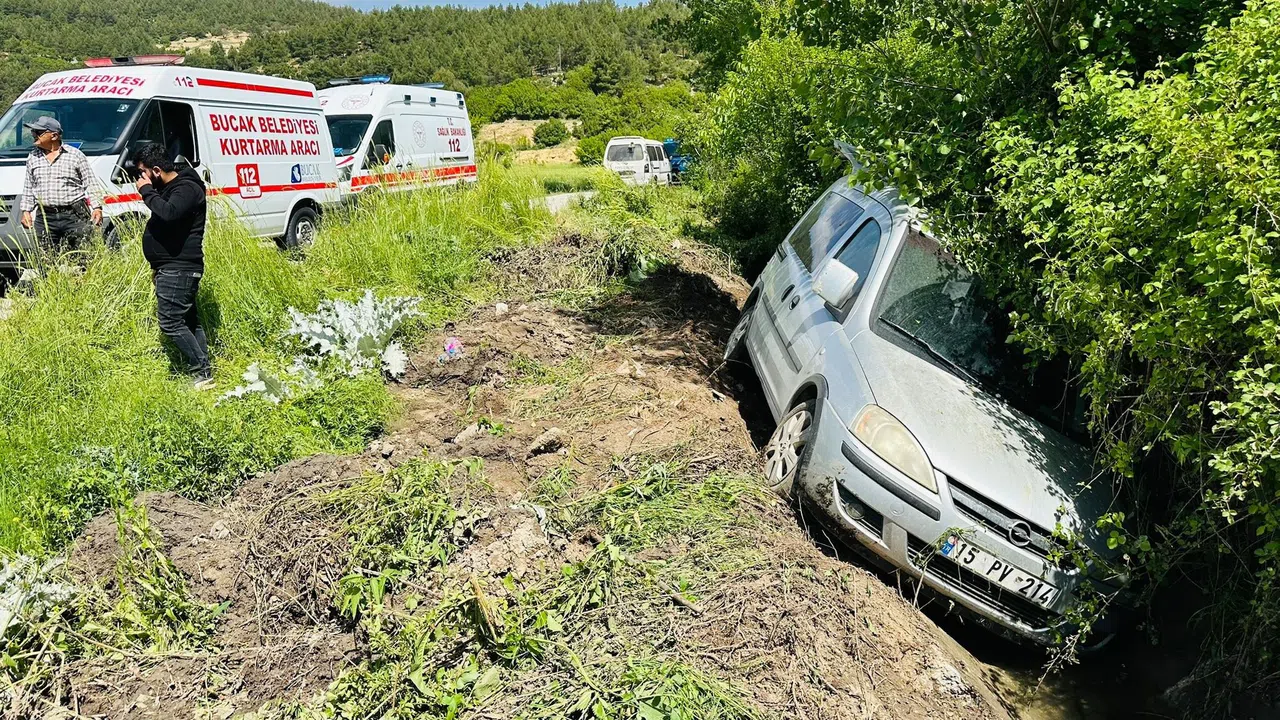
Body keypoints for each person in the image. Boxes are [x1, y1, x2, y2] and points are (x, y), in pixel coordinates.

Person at [131, 143, 213, 389]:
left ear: (156, 170)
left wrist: (146, 191)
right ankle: (204, 370)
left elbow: (168, 213)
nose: (140, 179)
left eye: (143, 173)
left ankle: (201, 372)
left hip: (181, 268)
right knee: (187, 321)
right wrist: (157, 265)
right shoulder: (171, 188)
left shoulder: (187, 188)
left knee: (170, 322)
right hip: (171, 267)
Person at [19, 116, 102, 254]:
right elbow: (29, 186)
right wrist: (26, 211)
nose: (34, 135)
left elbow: (90, 182)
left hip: (75, 214)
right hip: (45, 217)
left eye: (38, 132)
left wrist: (97, 207)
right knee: (46, 260)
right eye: (33, 132)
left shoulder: (75, 155)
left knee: (83, 257)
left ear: (54, 135)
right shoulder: (33, 157)